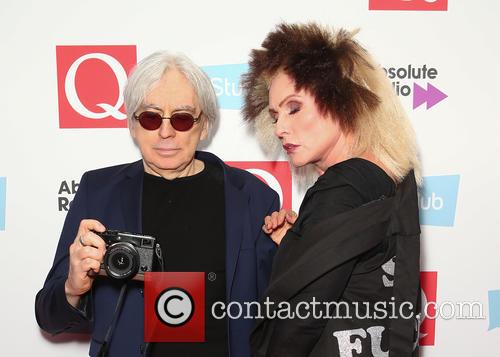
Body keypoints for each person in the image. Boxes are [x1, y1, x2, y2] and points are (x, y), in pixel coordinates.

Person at [35, 51, 279, 357]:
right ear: (133, 125)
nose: (166, 132)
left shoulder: (254, 197)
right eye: (151, 117)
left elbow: (282, 315)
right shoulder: (98, 193)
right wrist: (72, 287)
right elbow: (49, 317)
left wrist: (300, 250)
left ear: (204, 125)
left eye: (182, 118)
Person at [241, 23, 421, 356]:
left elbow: (297, 323)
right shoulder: (391, 174)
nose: (280, 128)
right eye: (274, 115)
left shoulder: (342, 185)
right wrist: (302, 246)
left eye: (295, 108)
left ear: (343, 100)